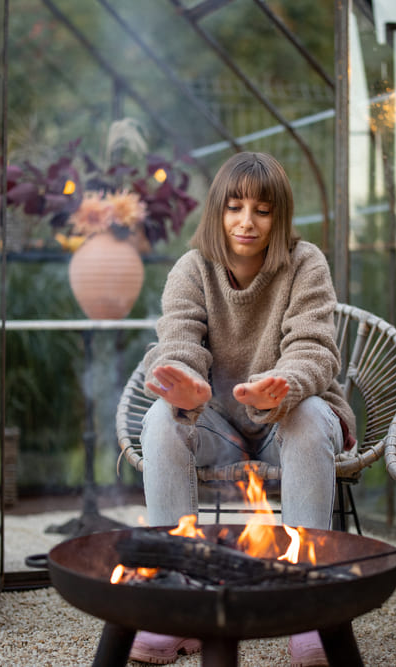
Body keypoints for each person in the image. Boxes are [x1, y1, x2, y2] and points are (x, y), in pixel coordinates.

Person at [128, 152, 354, 667]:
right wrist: (183, 388)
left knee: (312, 413)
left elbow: (314, 347)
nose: (247, 221)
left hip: (283, 422)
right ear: (217, 213)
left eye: (262, 209)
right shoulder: (192, 269)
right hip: (219, 425)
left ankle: (305, 606)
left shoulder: (305, 262)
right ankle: (176, 604)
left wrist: (285, 387)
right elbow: (178, 339)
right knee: (160, 419)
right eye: (234, 207)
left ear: (280, 217)